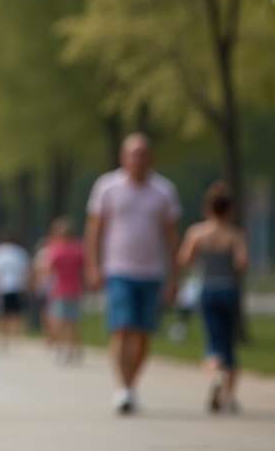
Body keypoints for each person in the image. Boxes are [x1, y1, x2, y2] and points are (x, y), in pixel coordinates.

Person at [85, 133, 181, 414]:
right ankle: (123, 389)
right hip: (118, 269)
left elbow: (172, 236)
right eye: (133, 153)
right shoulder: (107, 187)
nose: (137, 159)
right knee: (122, 327)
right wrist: (93, 266)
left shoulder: (164, 191)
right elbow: (94, 231)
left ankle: (131, 385)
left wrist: (175, 277)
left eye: (143, 154)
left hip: (151, 271)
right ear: (123, 157)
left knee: (143, 333)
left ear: (150, 158)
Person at [177, 182, 248, 413]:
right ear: (229, 210)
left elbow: (184, 259)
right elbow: (241, 263)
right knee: (229, 343)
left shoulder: (197, 233)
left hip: (207, 289)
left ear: (207, 208)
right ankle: (229, 396)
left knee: (213, 341)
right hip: (228, 289)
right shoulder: (234, 235)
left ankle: (214, 375)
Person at [41, 217, 85, 364]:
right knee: (73, 322)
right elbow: (83, 269)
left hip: (59, 289)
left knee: (59, 321)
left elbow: (49, 269)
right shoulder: (79, 249)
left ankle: (60, 348)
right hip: (75, 289)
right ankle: (73, 350)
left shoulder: (56, 249)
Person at [0, 227, 31, 353]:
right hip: (17, 286)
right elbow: (26, 271)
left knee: (2, 315)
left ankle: (2, 339)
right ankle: (16, 337)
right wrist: (27, 286)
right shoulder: (20, 252)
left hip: (2, 287)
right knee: (16, 314)